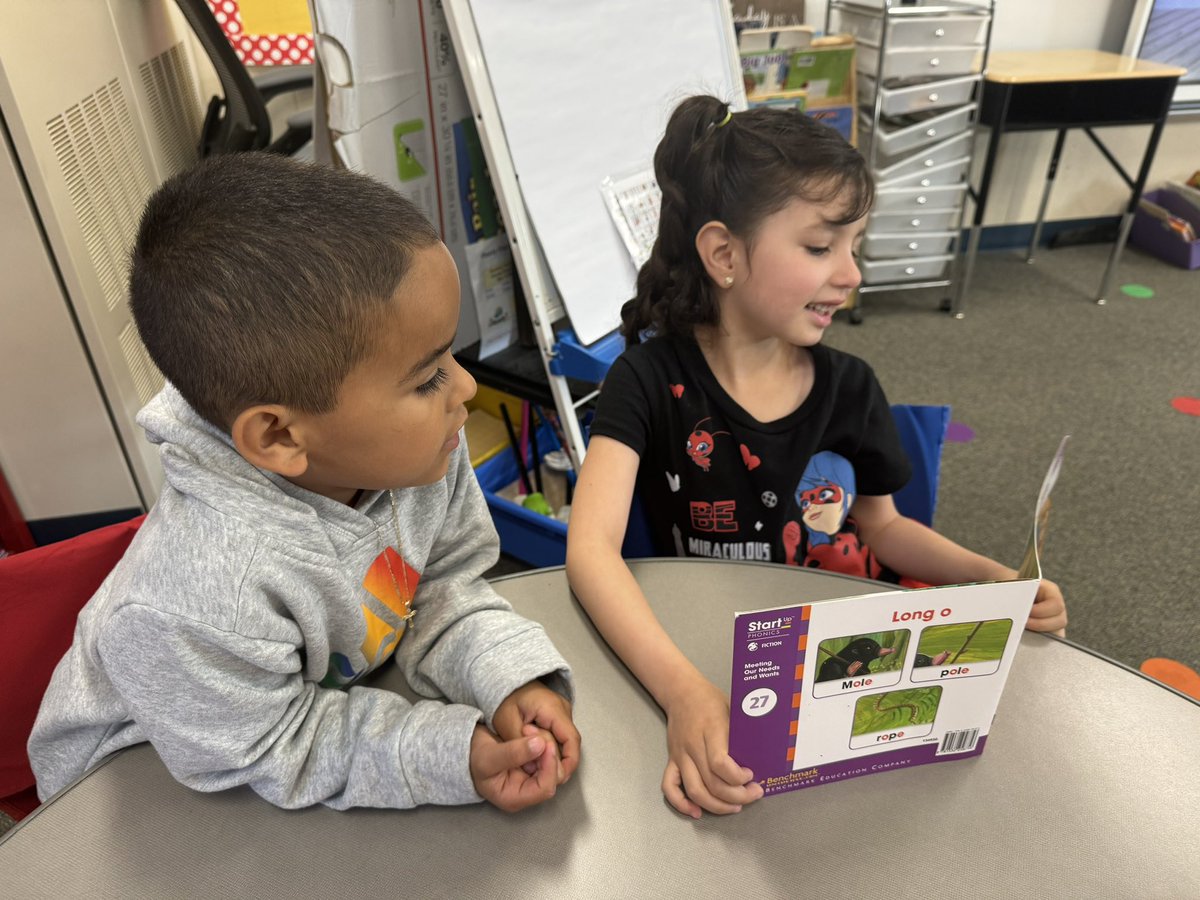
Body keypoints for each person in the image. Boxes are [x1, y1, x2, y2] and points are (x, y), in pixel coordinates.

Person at [28, 153, 580, 813]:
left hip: (286, 724)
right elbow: (273, 744)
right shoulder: (203, 594)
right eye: (427, 375)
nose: (464, 388)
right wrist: (445, 751)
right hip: (145, 795)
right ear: (281, 436)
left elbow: (437, 585)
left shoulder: (418, 450)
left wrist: (508, 678)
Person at [565, 95, 1066, 820]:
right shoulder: (645, 381)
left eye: (854, 246)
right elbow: (590, 551)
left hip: (832, 669)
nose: (852, 273)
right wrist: (683, 692)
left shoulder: (849, 386)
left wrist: (995, 580)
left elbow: (885, 530)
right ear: (725, 255)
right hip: (700, 656)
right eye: (820, 247)